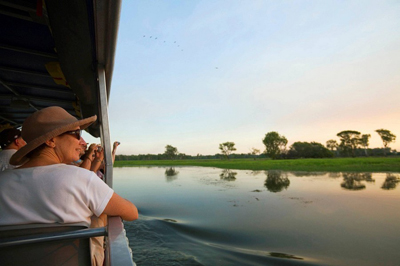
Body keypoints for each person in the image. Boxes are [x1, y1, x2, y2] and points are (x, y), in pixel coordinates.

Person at [0, 106, 138, 265]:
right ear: (51, 140)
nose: (83, 142)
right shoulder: (80, 178)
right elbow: (132, 213)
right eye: (77, 134)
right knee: (100, 213)